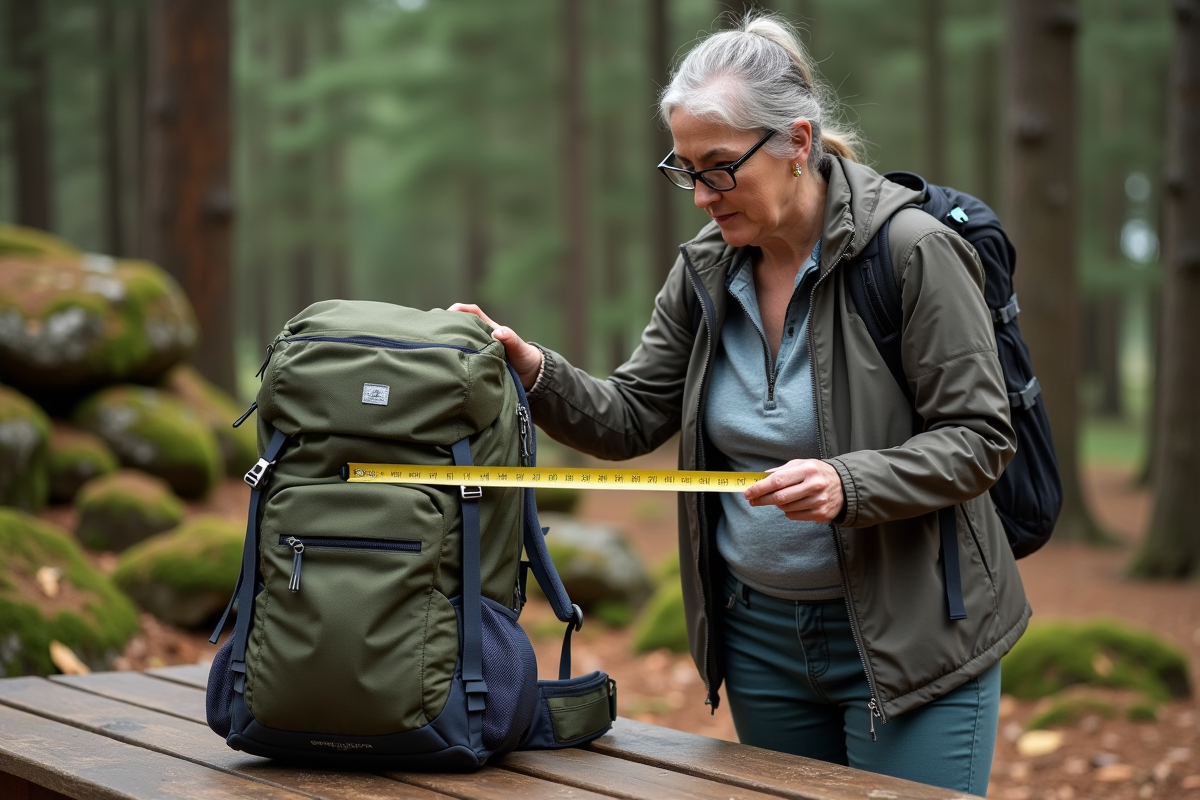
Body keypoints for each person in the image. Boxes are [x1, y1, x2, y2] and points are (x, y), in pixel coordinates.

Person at [452, 12, 1028, 796]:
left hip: (918, 640)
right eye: (684, 169)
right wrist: (535, 370)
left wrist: (848, 483)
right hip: (758, 642)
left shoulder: (912, 251)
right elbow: (629, 417)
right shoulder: (705, 274)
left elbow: (980, 436)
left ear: (796, 142)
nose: (699, 195)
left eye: (718, 167)